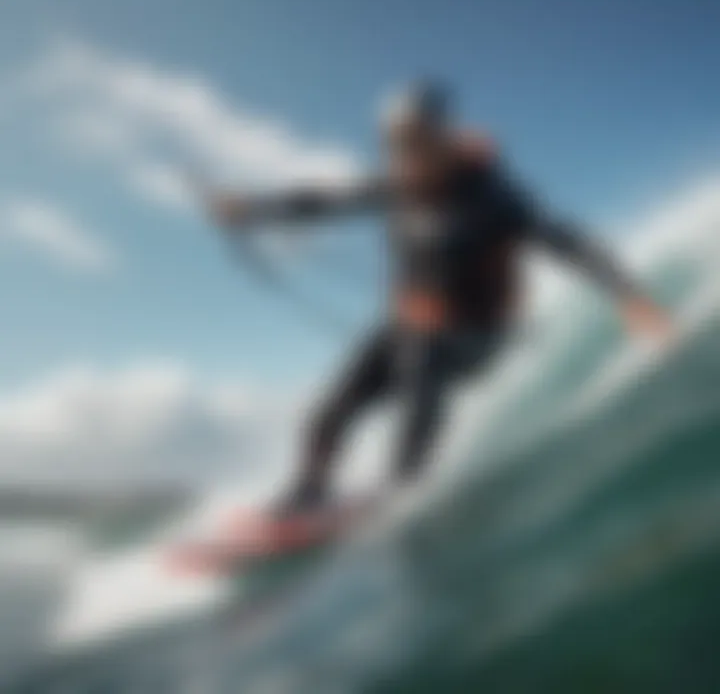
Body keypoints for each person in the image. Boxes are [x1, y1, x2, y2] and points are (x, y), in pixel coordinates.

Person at [204, 81, 672, 515]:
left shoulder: (491, 196)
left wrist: (627, 295)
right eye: (397, 143)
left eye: (417, 141)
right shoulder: (398, 186)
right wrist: (251, 210)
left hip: (479, 333)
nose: (406, 153)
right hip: (414, 326)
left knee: (423, 355)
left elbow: (564, 240)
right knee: (334, 407)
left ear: (441, 138)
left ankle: (406, 485)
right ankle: (308, 492)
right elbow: (322, 202)